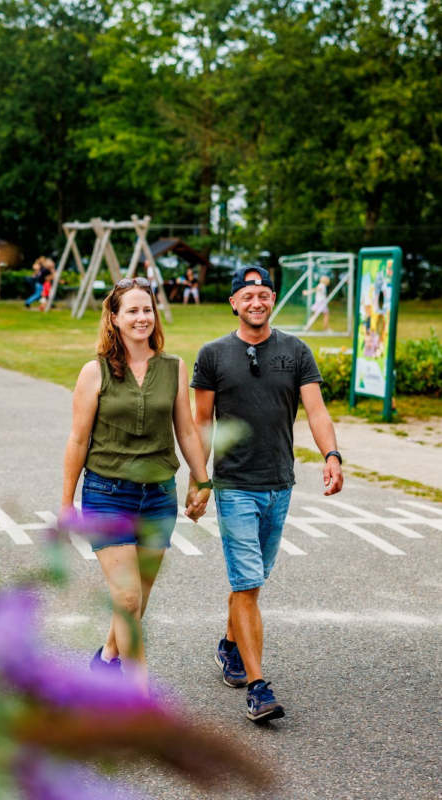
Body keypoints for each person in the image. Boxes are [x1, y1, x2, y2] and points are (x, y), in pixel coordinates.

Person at [190, 266, 344, 723]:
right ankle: (258, 688)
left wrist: (332, 455)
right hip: (235, 485)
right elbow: (201, 422)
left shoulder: (295, 350)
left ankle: (229, 646)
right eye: (247, 295)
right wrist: (199, 480)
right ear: (234, 303)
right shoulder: (213, 354)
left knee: (251, 582)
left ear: (272, 298)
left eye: (263, 294)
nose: (256, 302)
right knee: (249, 583)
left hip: (280, 483)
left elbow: (316, 410)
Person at [60, 277, 213, 686]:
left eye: (147, 309)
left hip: (158, 497)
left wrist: (202, 481)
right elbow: (78, 439)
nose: (141, 317)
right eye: (132, 310)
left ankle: (108, 655)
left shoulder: (175, 368)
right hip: (107, 494)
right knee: (127, 599)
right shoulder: (94, 373)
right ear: (114, 317)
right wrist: (66, 502)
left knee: (134, 601)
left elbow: (186, 429)